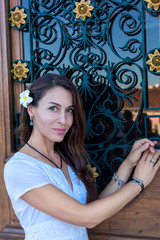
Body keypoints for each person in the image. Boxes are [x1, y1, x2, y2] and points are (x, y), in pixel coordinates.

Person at [4, 74, 160, 240]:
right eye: (53, 108)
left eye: (69, 110)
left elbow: (94, 208)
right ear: (31, 110)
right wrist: (138, 183)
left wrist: (128, 164)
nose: (63, 120)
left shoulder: (67, 156)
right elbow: (87, 217)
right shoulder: (20, 167)